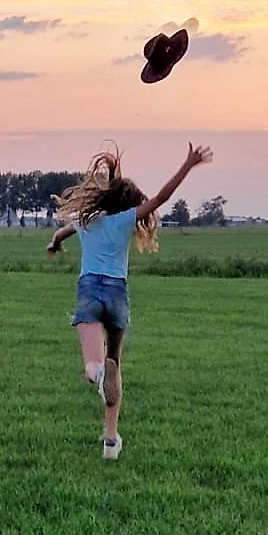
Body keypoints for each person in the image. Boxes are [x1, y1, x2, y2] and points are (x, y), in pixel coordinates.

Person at [46, 141, 213, 460]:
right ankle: (110, 439)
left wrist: (54, 243)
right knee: (115, 363)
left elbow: (64, 232)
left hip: (90, 291)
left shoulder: (85, 221)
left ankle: (97, 377)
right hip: (117, 294)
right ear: (129, 203)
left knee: (94, 365)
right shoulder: (124, 221)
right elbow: (162, 198)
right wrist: (188, 165)